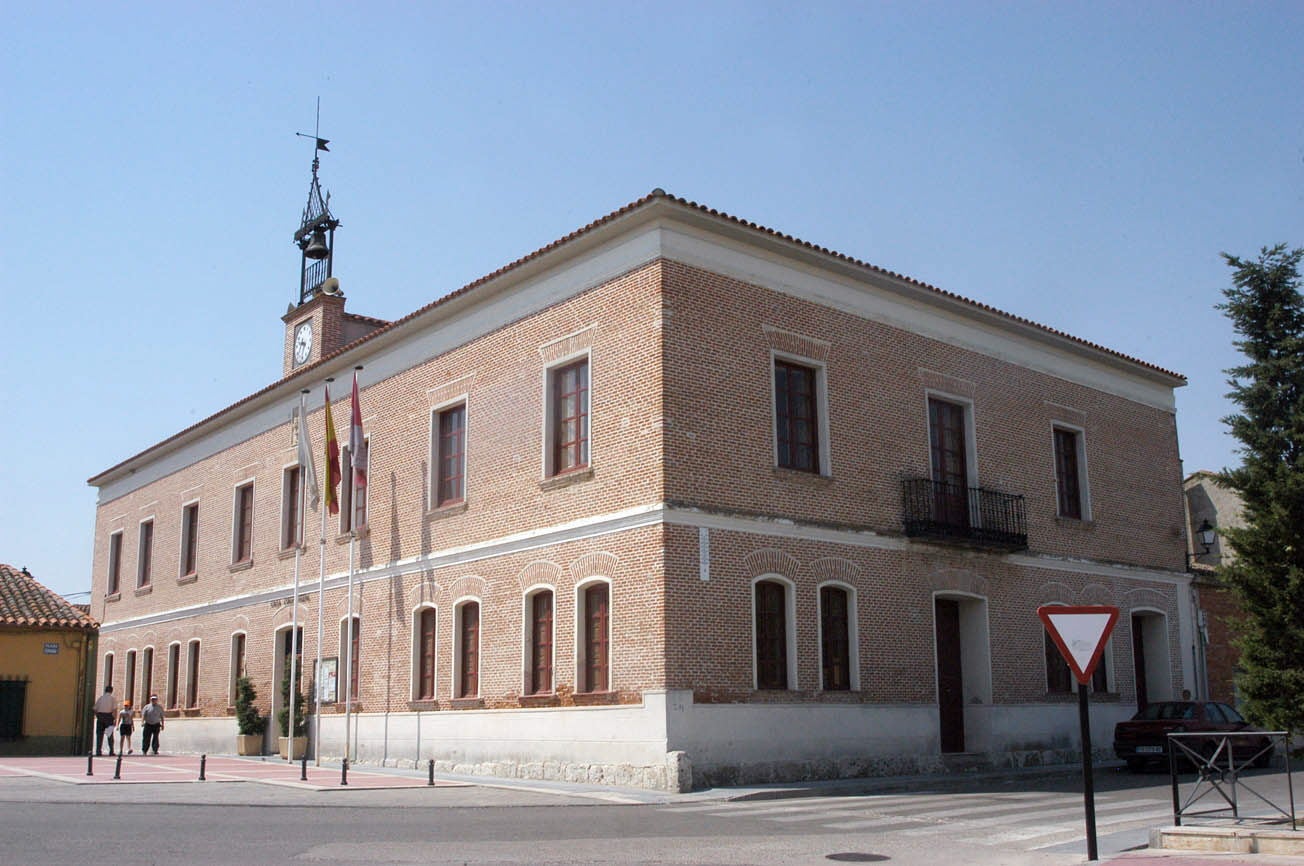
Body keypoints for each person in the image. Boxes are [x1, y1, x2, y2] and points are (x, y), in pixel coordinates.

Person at [92, 685, 117, 756]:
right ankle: (111, 751)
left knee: (99, 735)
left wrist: (98, 715)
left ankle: (98, 751)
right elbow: (115, 710)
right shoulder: (112, 699)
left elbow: (94, 708)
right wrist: (115, 719)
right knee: (110, 735)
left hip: (100, 717)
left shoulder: (101, 698)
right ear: (111, 691)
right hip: (109, 717)